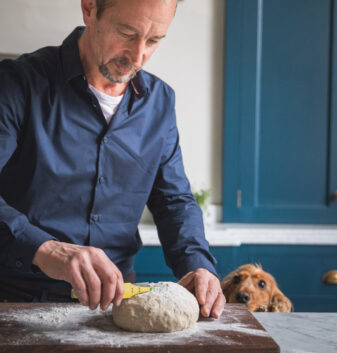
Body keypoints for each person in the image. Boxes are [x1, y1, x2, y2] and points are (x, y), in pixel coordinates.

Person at [0, 0, 225, 318]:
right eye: (127, 33)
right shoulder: (16, 84)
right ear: (89, 8)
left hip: (115, 307)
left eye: (153, 40)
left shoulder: (160, 102)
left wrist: (199, 266)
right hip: (13, 301)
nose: (138, 56)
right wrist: (45, 248)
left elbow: (174, 201)